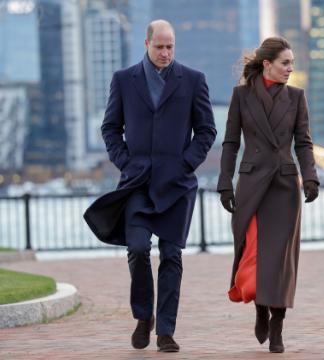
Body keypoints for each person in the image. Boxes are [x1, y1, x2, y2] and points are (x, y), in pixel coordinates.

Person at [84, 20, 216, 353]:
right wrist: (126, 162)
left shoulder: (194, 80)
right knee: (139, 248)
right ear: (146, 44)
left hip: (177, 184)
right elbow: (110, 128)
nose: (165, 53)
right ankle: (144, 316)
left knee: (171, 255)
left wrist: (186, 163)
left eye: (170, 46)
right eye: (159, 46)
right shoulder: (124, 80)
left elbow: (206, 131)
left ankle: (166, 330)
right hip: (137, 183)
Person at [216, 36, 319, 354]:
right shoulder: (241, 96)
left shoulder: (296, 97)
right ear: (267, 64)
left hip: (285, 187)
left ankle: (277, 325)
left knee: (280, 261)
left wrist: (311, 177)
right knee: (253, 254)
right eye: (285, 63)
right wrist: (224, 181)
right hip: (251, 186)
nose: (291, 69)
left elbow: (302, 142)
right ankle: (261, 307)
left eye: (292, 63)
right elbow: (231, 142)